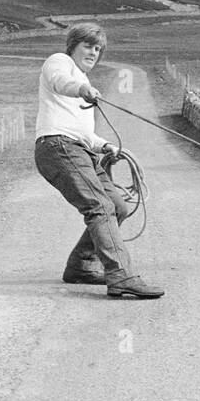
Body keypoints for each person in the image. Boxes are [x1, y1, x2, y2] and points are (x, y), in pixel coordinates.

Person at [33, 22, 164, 299]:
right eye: (88, 45)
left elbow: (83, 133)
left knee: (117, 207)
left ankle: (81, 266)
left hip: (78, 147)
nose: (93, 52)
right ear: (73, 45)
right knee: (100, 206)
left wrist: (106, 146)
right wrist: (81, 89)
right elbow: (60, 82)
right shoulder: (60, 62)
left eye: (98, 48)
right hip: (57, 146)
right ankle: (122, 277)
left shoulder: (84, 80)